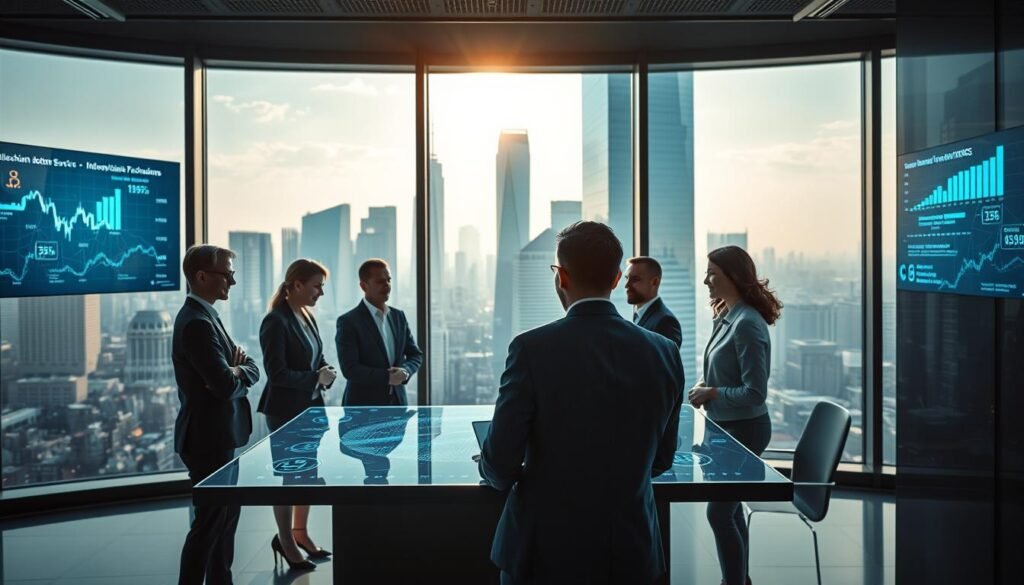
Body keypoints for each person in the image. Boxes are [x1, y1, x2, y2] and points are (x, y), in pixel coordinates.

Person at [480, 221, 685, 585]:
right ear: (616, 278)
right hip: (630, 549)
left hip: (543, 552)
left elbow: (499, 467)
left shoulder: (531, 349)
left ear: (561, 277)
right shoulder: (664, 352)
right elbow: (662, 459)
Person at [688, 245, 782, 585]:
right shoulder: (727, 316)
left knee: (719, 513)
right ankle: (740, 579)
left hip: (746, 429)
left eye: (713, 273)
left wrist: (712, 393)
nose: (706, 280)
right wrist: (707, 384)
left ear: (734, 277)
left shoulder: (746, 325)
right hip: (728, 428)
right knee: (728, 509)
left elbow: (755, 392)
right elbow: (726, 371)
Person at [173, 244, 260, 585]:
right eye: (227, 274)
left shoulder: (207, 316)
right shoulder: (197, 324)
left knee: (224, 521)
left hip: (219, 434)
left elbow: (248, 367)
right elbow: (224, 384)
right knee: (210, 524)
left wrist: (238, 369)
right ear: (201, 276)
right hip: (208, 438)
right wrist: (237, 371)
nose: (233, 282)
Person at [257, 259, 337, 571]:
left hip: (311, 408)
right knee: (289, 478)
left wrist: (326, 370)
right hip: (285, 411)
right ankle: (285, 540)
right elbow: (276, 373)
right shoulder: (275, 321)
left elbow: (315, 355)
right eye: (316, 286)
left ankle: (300, 533)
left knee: (307, 476)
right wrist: (315, 379)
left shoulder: (307, 315)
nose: (320, 292)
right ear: (297, 285)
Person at [335, 258, 423, 406]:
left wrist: (406, 371)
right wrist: (387, 377)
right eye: (380, 281)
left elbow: (415, 354)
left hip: (397, 404)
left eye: (388, 280)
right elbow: (349, 368)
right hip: (362, 407)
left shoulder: (398, 316)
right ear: (364, 286)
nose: (387, 286)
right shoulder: (349, 322)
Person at [624, 255, 683, 349]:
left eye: (635, 279)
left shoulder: (666, 322)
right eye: (627, 278)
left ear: (654, 282)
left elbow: (665, 362)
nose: (627, 285)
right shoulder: (638, 314)